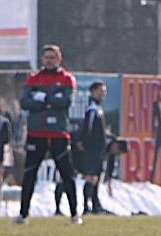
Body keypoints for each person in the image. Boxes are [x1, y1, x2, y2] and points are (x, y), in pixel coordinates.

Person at [15, 44, 81, 224]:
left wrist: (43, 99)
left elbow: (66, 102)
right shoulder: (34, 78)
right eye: (47, 57)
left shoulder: (67, 79)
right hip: (36, 132)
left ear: (59, 59)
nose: (49, 60)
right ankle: (23, 214)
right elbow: (25, 102)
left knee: (67, 174)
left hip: (59, 133)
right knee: (29, 174)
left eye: (53, 57)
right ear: (42, 59)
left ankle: (75, 214)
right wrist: (52, 101)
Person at [76, 81, 108, 215]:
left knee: (97, 177)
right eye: (101, 90)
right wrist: (83, 141)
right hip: (93, 148)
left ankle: (96, 205)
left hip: (99, 149)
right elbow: (87, 127)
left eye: (104, 91)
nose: (103, 93)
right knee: (91, 176)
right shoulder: (92, 109)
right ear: (93, 92)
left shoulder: (99, 108)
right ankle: (86, 207)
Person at [6, 100, 27, 188]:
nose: (15, 109)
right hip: (13, 147)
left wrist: (22, 144)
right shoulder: (12, 120)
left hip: (20, 148)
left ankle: (20, 183)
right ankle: (11, 181)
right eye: (13, 107)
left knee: (21, 164)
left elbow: (24, 131)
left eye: (16, 107)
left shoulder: (23, 118)